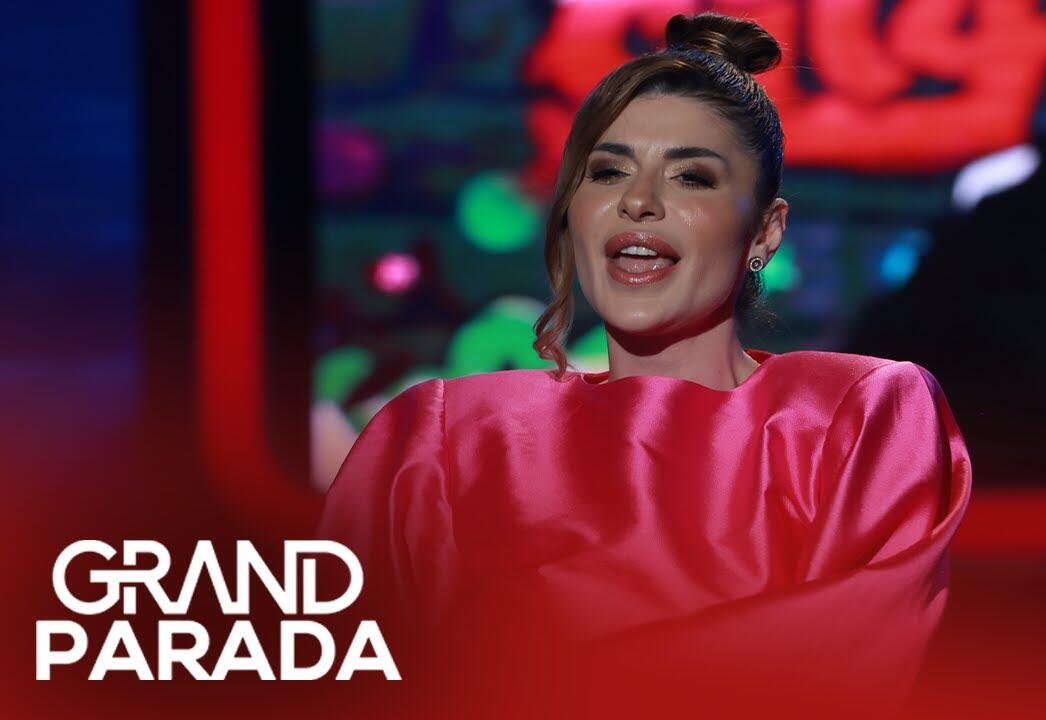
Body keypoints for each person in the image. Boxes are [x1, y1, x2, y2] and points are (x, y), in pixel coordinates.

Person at [317, 12, 971, 720]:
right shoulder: (440, 438)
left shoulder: (856, 416)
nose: (638, 202)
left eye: (692, 177)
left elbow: (836, 669)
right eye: (607, 172)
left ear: (765, 231)